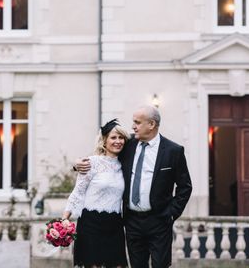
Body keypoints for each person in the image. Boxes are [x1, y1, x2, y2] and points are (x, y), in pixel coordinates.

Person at [76, 106, 192, 268]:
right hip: (132, 222)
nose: (133, 126)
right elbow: (104, 158)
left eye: (137, 122)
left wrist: (171, 214)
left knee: (160, 265)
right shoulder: (127, 144)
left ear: (151, 124)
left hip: (159, 221)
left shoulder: (173, 151)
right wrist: (77, 165)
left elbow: (185, 187)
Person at [63, 119, 129, 268]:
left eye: (121, 137)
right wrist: (64, 219)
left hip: (115, 224)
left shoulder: (125, 165)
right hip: (91, 224)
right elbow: (78, 192)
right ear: (104, 140)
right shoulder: (90, 163)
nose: (118, 141)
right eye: (113, 137)